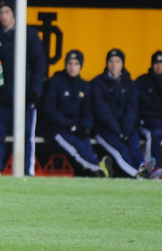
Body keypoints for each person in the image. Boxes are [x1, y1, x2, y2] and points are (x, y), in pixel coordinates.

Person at [0, 0, 47, 176]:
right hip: (1, 95)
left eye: (8, 12)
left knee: (26, 135)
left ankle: (27, 171)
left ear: (15, 14)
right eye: (1, 12)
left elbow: (40, 65)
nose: (4, 16)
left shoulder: (29, 35)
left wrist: (35, 91)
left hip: (25, 96)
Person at [41, 49, 108, 176]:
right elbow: (49, 111)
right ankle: (96, 167)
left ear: (80, 66)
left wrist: (85, 127)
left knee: (85, 142)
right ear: (65, 64)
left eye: (76, 64)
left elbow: (88, 111)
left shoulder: (84, 86)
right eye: (70, 63)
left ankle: (95, 167)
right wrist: (71, 126)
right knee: (76, 146)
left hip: (76, 127)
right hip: (56, 128)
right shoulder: (54, 83)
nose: (73, 67)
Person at [91, 48, 144, 177]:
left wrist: (126, 130)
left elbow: (132, 108)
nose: (114, 65)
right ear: (107, 63)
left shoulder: (130, 84)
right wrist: (118, 131)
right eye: (111, 61)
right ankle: (136, 174)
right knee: (120, 150)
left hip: (127, 128)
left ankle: (144, 167)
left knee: (134, 146)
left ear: (122, 64)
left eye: (118, 61)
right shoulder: (98, 83)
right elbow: (102, 110)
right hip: (106, 129)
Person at [135, 50, 162, 164]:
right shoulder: (142, 81)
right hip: (148, 121)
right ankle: (153, 166)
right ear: (152, 64)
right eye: (156, 63)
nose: (159, 66)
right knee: (155, 133)